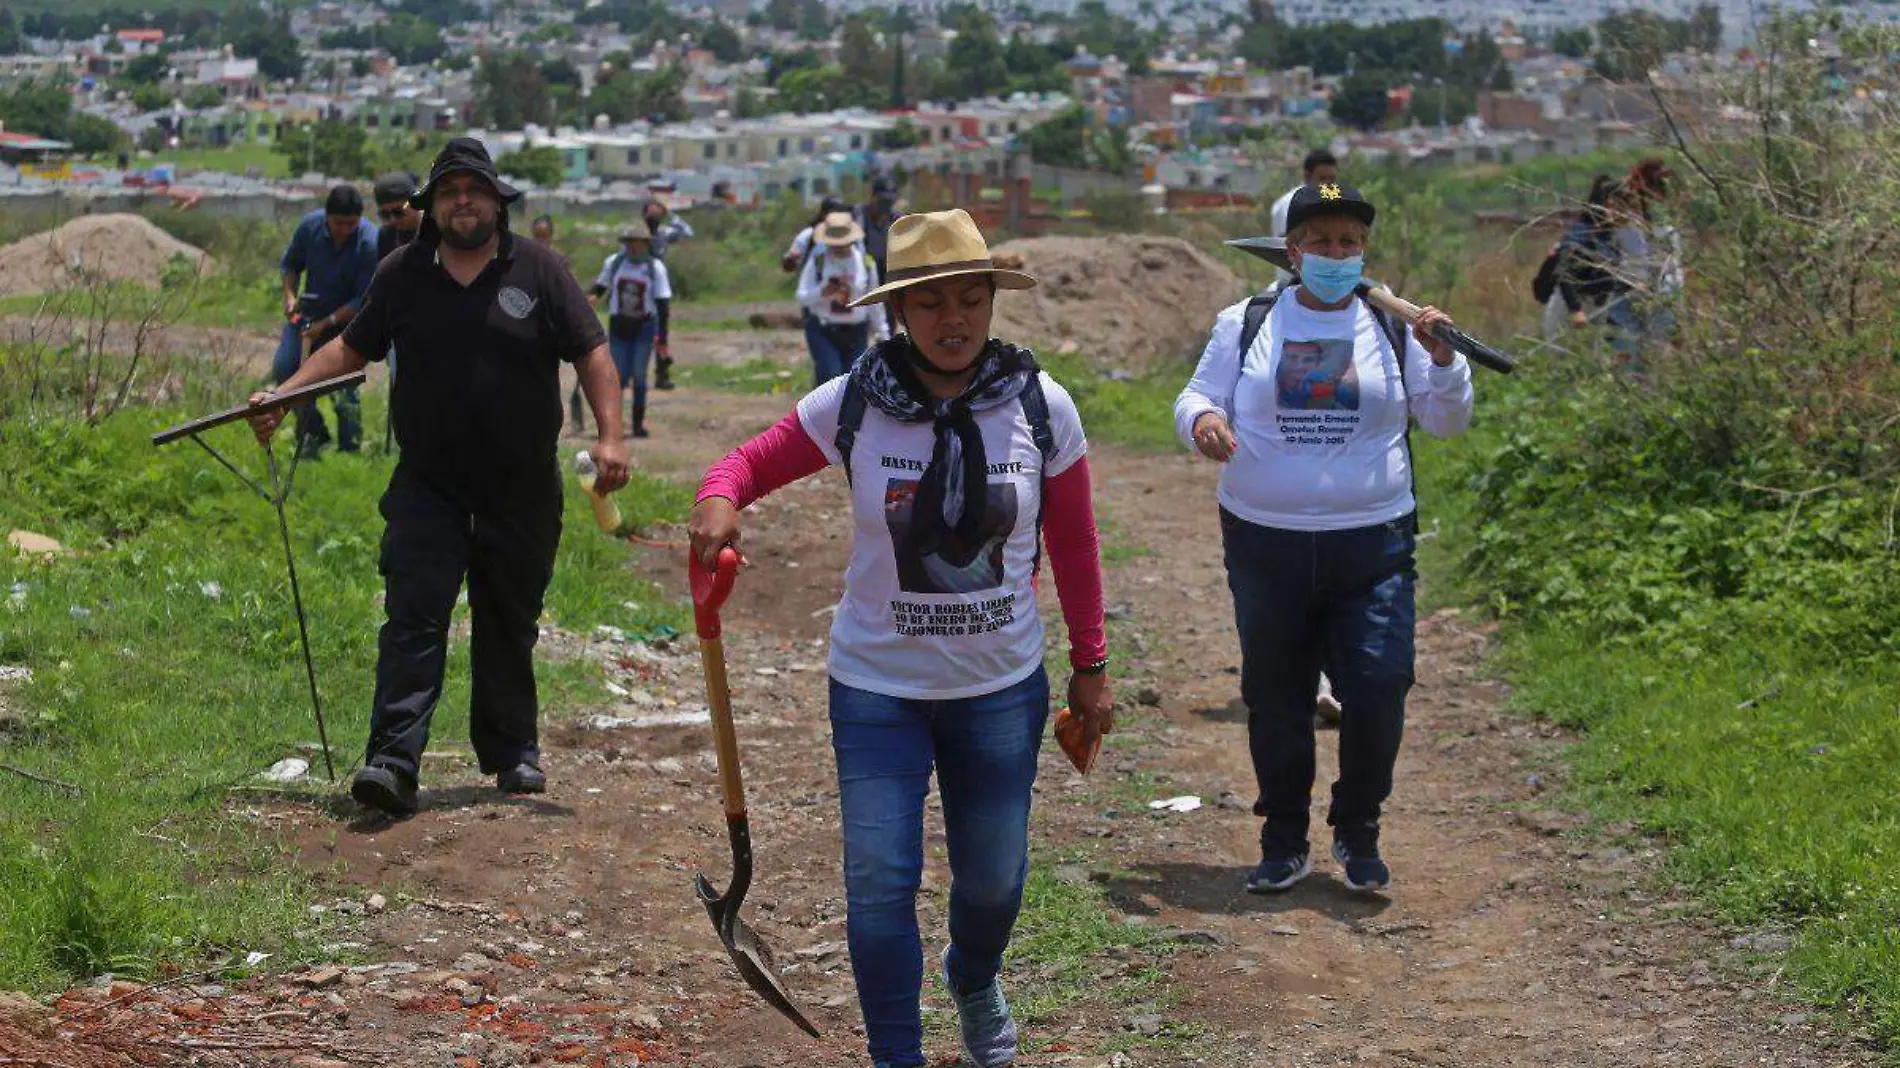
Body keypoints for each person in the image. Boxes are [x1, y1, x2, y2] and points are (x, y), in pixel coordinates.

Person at [689, 208, 1112, 1068]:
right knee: (879, 886)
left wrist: (1091, 666)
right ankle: (896, 1055)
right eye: (930, 304)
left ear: (992, 302)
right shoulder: (856, 402)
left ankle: (974, 975)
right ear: (898, 314)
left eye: (969, 299)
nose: (952, 320)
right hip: (877, 686)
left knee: (992, 881)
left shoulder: (1041, 404)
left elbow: (1074, 541)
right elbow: (746, 462)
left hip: (1000, 686)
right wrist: (718, 498)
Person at [245, 138, 631, 816]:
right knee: (413, 618)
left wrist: (610, 436)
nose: (463, 202)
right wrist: (287, 393)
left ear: (496, 202)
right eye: (450, 191)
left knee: (509, 618)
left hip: (520, 486)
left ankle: (513, 753)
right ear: (430, 205)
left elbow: (593, 353)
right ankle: (392, 763)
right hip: (429, 483)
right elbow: (348, 347)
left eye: (474, 191)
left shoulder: (539, 270)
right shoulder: (402, 272)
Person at [1175, 183, 1474, 895]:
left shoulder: (1396, 326)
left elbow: (1446, 422)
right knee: (1275, 694)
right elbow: (1195, 395)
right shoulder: (1246, 322)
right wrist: (1202, 424)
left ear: (1364, 251)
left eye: (1350, 242)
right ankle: (1283, 839)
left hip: (1372, 542)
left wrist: (1443, 361)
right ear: (1293, 251)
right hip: (1264, 540)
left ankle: (1358, 827)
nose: (1337, 254)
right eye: (1322, 242)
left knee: (1378, 685)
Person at [273, 184, 379, 457]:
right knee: (286, 371)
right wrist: (289, 296)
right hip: (307, 318)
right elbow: (290, 265)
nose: (344, 229)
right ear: (326, 217)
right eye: (338, 223)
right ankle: (314, 435)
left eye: (350, 223)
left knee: (344, 386)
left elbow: (363, 299)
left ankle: (349, 450)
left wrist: (328, 323)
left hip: (347, 325)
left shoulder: (370, 242)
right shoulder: (309, 227)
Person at [586, 226, 673, 438]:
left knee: (640, 376)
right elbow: (599, 288)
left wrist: (662, 337)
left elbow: (663, 304)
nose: (634, 246)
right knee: (617, 377)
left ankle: (637, 425)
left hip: (644, 327)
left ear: (646, 244)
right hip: (619, 326)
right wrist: (588, 301)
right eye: (630, 242)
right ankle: (612, 425)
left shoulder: (655, 268)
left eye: (638, 242)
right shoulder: (615, 263)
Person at [797, 212, 888, 387]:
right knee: (831, 379)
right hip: (824, 331)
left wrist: (882, 333)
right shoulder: (818, 261)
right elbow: (802, 298)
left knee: (854, 384)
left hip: (856, 333)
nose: (838, 247)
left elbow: (874, 303)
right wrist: (822, 292)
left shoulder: (865, 264)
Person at [1539, 174, 1622, 341]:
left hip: (1595, 308)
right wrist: (1576, 310)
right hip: (1568, 309)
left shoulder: (1609, 236)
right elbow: (1564, 274)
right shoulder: (1582, 234)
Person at [1269, 150, 1339, 287]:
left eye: (1332, 180)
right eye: (1322, 178)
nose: (1328, 185)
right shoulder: (1291, 204)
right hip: (1293, 286)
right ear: (1307, 176)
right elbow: (1286, 250)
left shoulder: (1328, 202)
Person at [780, 194, 850, 274]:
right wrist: (791, 261)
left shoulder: (851, 238)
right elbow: (787, 267)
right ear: (823, 215)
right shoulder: (808, 235)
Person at [373, 172, 422, 261]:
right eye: (385, 215)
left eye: (398, 212)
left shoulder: (437, 228)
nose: (392, 220)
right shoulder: (386, 235)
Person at [859, 174, 901, 276]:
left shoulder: (898, 220)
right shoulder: (858, 217)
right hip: (863, 275)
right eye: (883, 200)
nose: (886, 204)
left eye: (890, 201)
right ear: (872, 197)